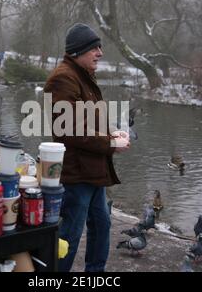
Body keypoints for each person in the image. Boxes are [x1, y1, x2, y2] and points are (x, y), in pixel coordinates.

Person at [44, 23, 130, 272]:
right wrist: (111, 144)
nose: (100, 53)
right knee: (69, 237)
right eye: (94, 47)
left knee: (101, 226)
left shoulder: (82, 76)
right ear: (78, 51)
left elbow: (88, 121)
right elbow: (70, 129)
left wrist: (111, 132)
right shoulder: (63, 78)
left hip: (93, 173)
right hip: (77, 175)